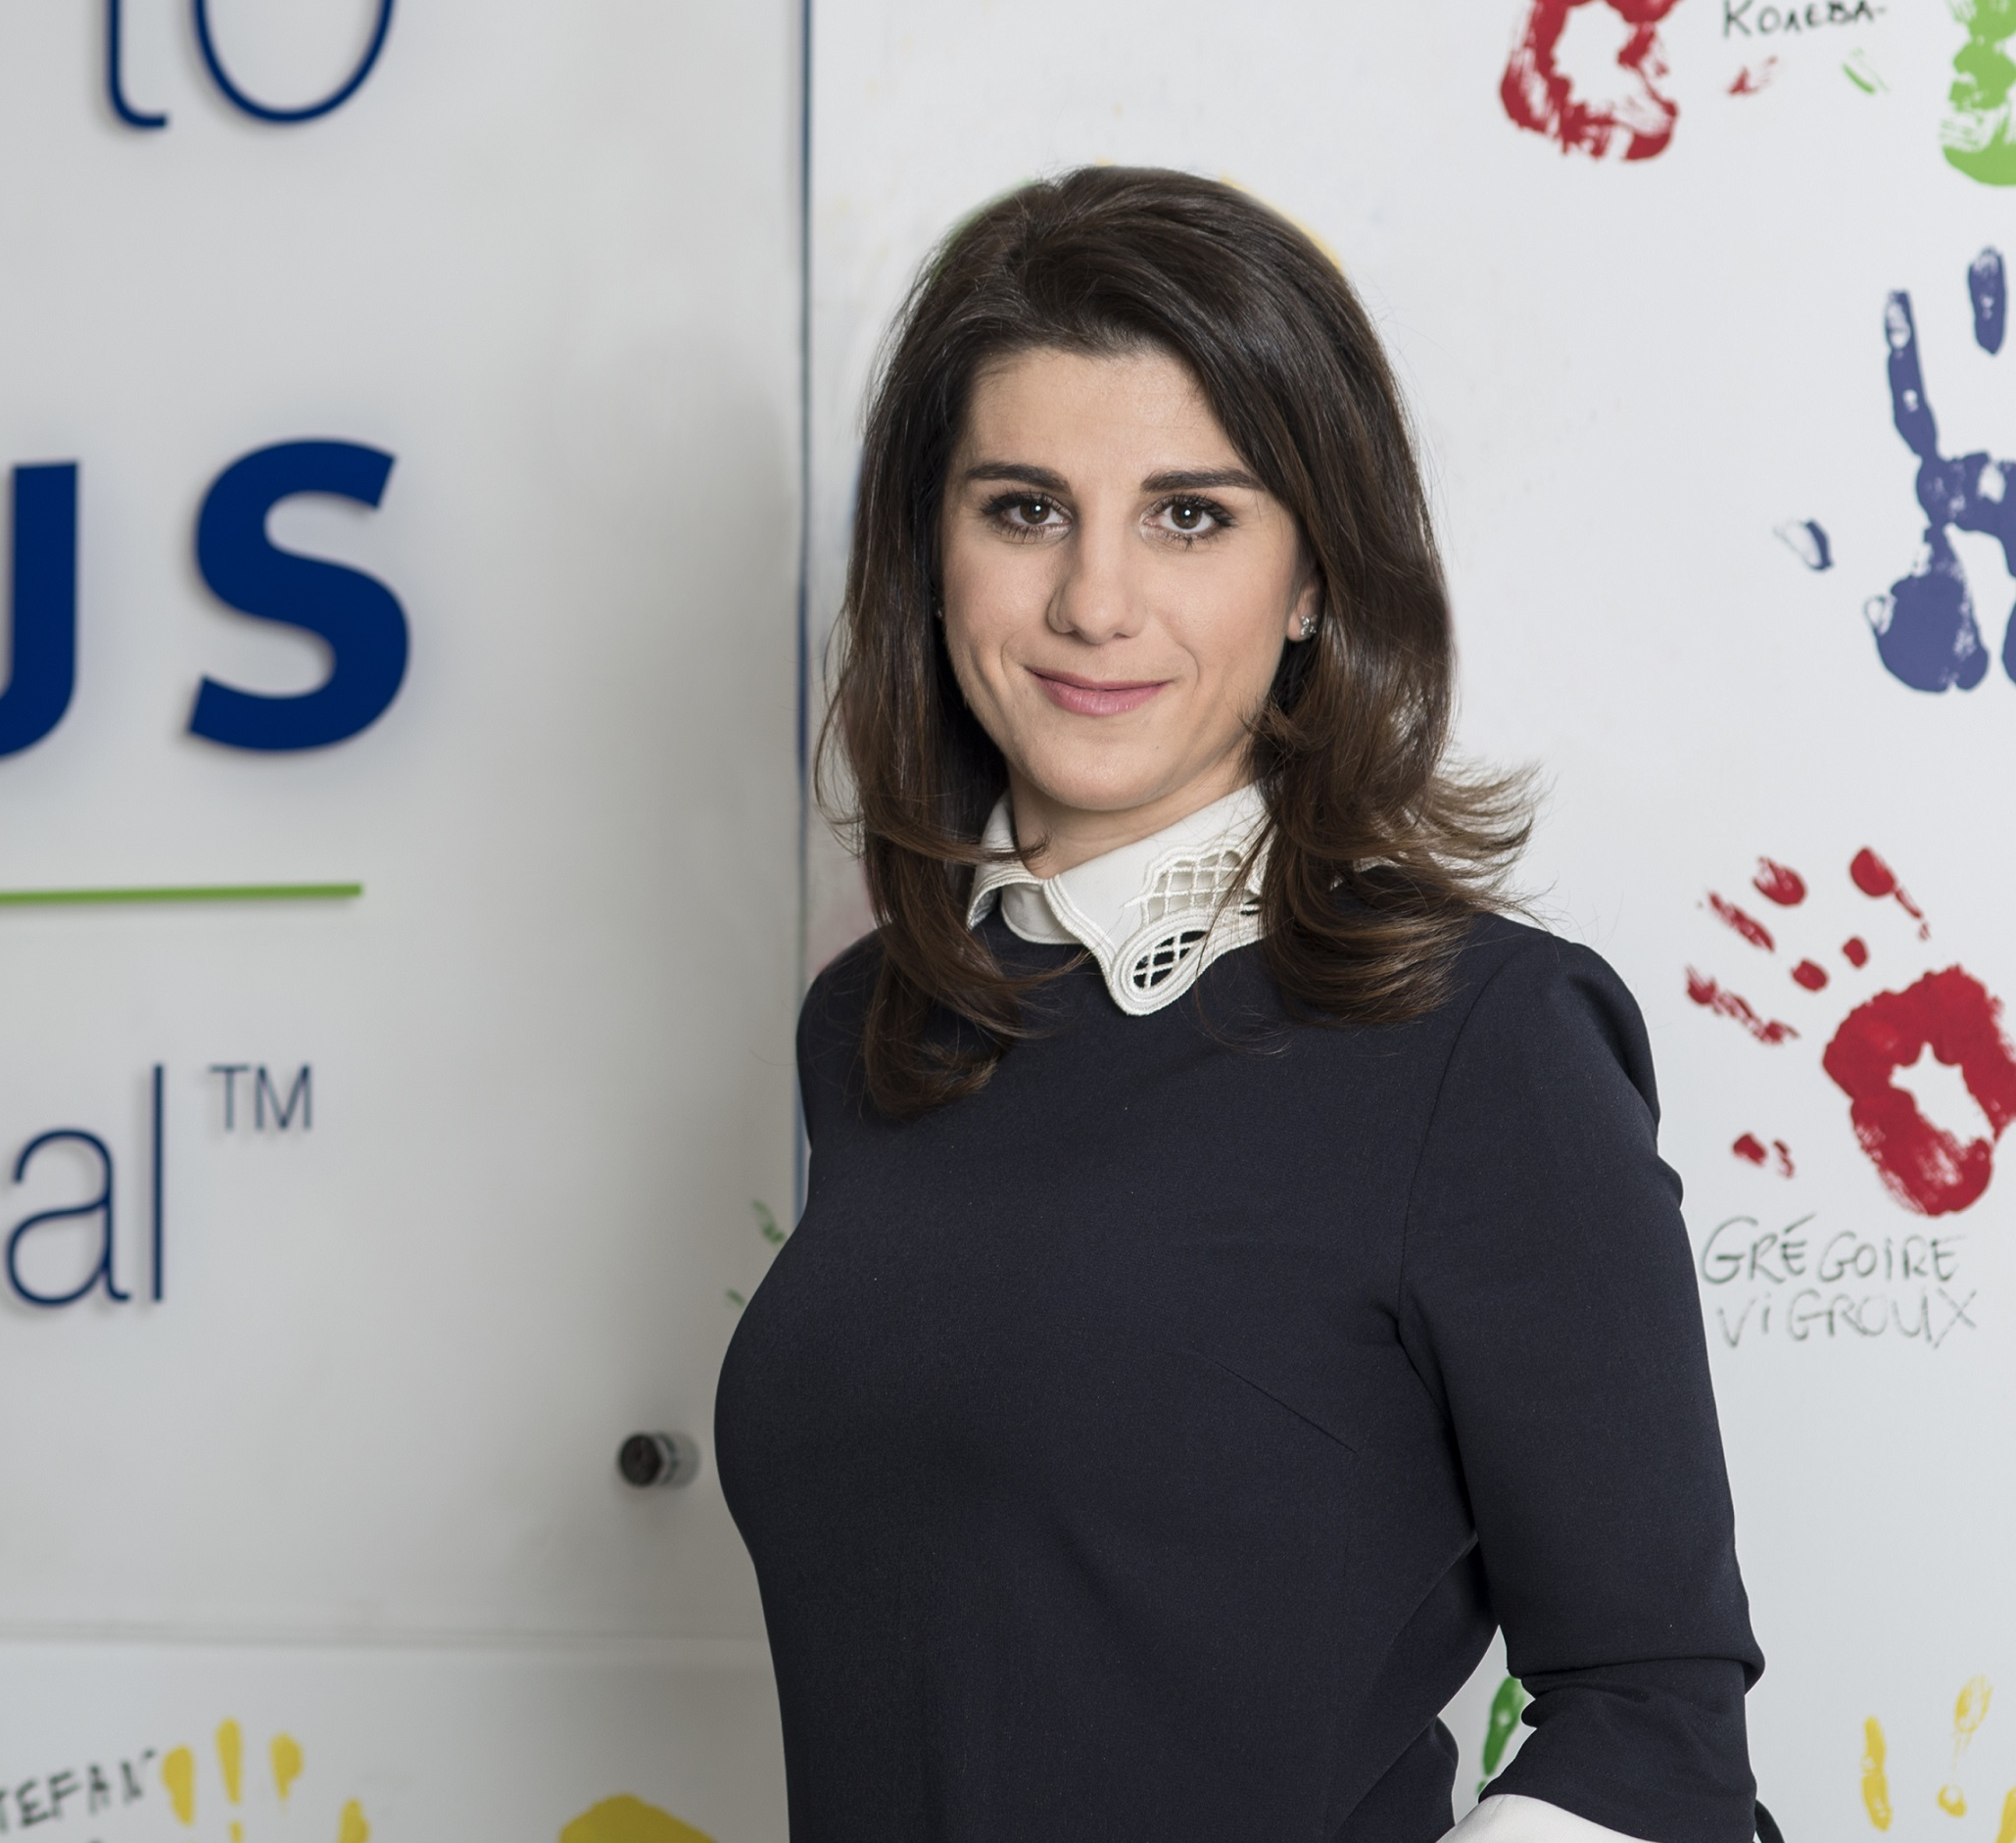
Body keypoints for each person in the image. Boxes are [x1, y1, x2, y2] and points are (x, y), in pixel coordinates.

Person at [713, 169, 1762, 1843]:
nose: (1094, 602)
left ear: (1313, 577)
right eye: (1023, 508)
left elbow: (1652, 1730)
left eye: (1188, 516)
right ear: (929, 552)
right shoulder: (870, 1028)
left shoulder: (1479, 1038)